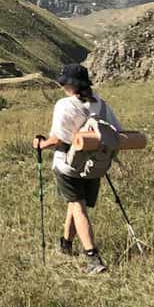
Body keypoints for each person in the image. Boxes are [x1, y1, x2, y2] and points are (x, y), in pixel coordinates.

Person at [33, 63, 121, 274]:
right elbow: (117, 131)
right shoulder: (101, 104)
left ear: (70, 85)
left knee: (77, 206)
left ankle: (93, 258)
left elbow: (58, 139)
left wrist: (40, 144)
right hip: (95, 165)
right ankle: (65, 243)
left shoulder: (64, 105)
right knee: (75, 204)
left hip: (68, 164)